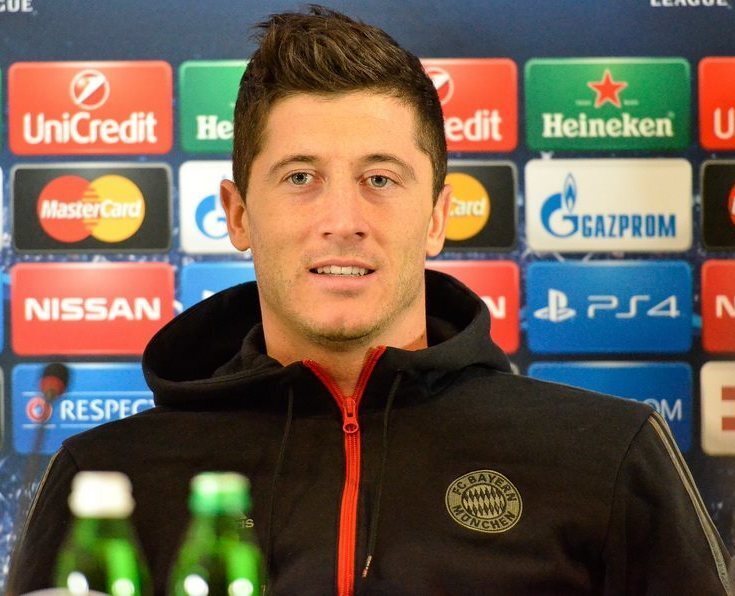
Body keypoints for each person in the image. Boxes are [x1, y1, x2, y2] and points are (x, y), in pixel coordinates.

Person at [7, 6, 733, 595]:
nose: (342, 219)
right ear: (237, 213)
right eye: (300, 177)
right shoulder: (108, 480)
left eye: (379, 179)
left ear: (439, 216)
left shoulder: (606, 453)